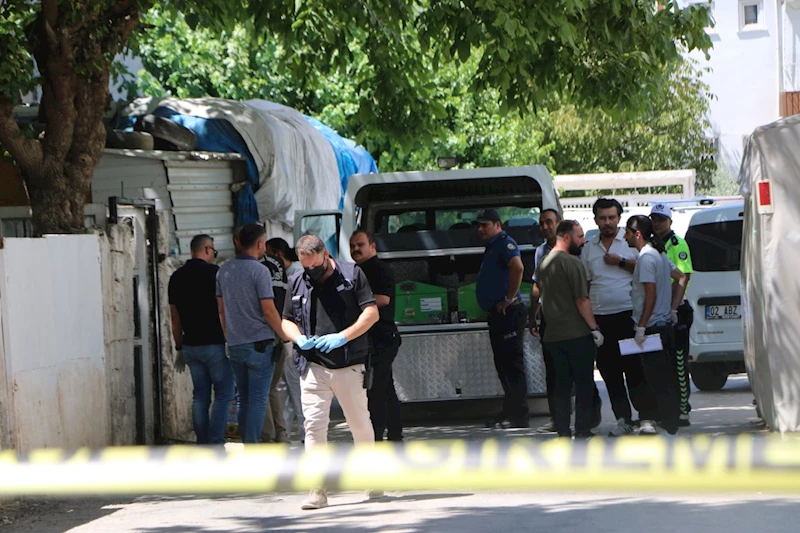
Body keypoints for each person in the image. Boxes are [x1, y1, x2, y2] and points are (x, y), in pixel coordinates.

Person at [281, 235, 381, 510]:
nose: (311, 271)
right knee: (313, 427)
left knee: (359, 423)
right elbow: (286, 320)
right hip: (313, 366)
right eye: (306, 267)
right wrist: (297, 339)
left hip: (348, 364)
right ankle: (317, 490)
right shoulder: (297, 281)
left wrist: (343, 337)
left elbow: (371, 313)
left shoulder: (352, 275)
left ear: (326, 255)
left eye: (315, 266)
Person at [531, 209, 603, 434]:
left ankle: (563, 431)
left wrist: (532, 317)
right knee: (583, 385)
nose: (583, 241)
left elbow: (538, 293)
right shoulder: (572, 263)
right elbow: (582, 299)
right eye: (579, 236)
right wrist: (594, 328)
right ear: (566, 237)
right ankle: (582, 431)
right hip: (577, 335)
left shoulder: (543, 263)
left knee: (561, 387)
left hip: (552, 336)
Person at [580, 198, 645, 437]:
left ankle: (646, 417)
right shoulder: (588, 249)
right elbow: (585, 285)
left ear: (619, 218)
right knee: (610, 373)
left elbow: (647, 269)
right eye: (603, 218)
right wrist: (590, 324)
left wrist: (622, 262)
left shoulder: (630, 243)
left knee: (635, 370)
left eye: (611, 217)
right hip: (601, 321)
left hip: (628, 317)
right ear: (595, 220)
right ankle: (623, 419)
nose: (607, 222)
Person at [217, 223, 284, 444]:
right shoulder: (260, 271)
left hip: (236, 343)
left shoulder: (223, 270)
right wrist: (284, 335)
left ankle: (248, 444)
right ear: (260, 244)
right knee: (257, 400)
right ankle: (253, 447)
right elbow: (269, 310)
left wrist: (229, 337)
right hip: (260, 343)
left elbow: (221, 310)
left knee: (243, 399)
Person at [624, 215, 688, 435]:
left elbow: (649, 295)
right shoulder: (659, 254)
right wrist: (673, 308)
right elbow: (681, 278)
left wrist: (641, 326)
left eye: (627, 232)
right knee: (665, 376)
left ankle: (668, 424)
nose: (625, 236)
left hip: (651, 327)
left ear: (637, 234)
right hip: (664, 324)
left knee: (656, 379)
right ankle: (670, 422)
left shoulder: (645, 258)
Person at [168, 234, 234, 445]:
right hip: (215, 344)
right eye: (213, 251)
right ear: (207, 249)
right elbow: (224, 311)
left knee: (200, 395)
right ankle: (215, 442)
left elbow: (175, 318)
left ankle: (202, 443)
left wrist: (179, 346)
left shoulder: (176, 277)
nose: (214, 255)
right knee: (223, 394)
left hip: (190, 346)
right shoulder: (216, 274)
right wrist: (230, 339)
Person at [475, 208, 529, 429]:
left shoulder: (506, 243)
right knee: (503, 365)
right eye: (478, 225)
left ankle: (520, 416)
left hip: (509, 313)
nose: (480, 229)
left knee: (512, 366)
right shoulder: (492, 246)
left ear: (497, 224)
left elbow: (518, 267)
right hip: (497, 315)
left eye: (485, 225)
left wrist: (509, 298)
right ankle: (510, 410)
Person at [350, 230, 403, 442]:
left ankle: (376, 437)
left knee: (375, 390)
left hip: (382, 338)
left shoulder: (378, 269)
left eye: (360, 244)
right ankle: (395, 433)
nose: (356, 249)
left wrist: (353, 301)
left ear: (373, 246)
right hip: (372, 339)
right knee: (385, 387)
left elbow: (383, 299)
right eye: (353, 245)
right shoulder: (358, 270)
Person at [650, 203, 694, 427]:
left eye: (662, 220)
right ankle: (667, 408)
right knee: (662, 363)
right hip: (658, 309)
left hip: (676, 308)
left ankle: (683, 409)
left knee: (678, 362)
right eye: (655, 220)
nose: (658, 224)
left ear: (670, 221)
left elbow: (683, 278)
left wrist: (674, 309)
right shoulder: (652, 244)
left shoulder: (677, 244)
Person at [267, 237, 305, 440]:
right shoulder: (287, 273)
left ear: (278, 255)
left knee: (294, 388)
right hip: (284, 337)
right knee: (283, 390)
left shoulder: (295, 273)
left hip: (293, 337)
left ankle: (304, 433)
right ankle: (286, 433)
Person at [260, 251, 290, 443]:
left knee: (261, 390)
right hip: (280, 332)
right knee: (272, 388)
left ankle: (269, 436)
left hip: (263, 335)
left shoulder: (254, 268)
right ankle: (281, 433)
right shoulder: (277, 264)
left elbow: (268, 309)